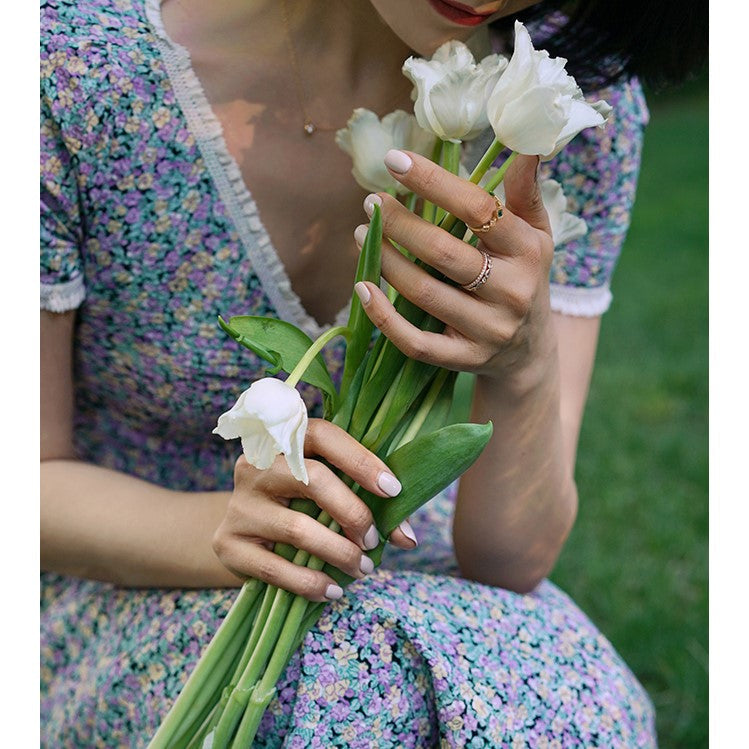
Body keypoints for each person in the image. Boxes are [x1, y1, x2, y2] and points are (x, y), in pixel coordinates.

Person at [40, 0, 706, 746]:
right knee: (357, 686)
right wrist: (227, 528)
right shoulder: (70, 72)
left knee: (567, 704)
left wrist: (522, 367)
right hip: (120, 574)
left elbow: (512, 559)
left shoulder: (559, 96)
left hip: (413, 568)